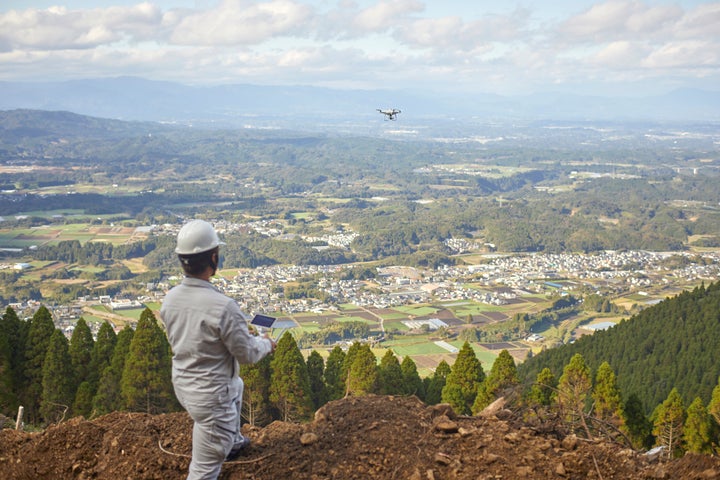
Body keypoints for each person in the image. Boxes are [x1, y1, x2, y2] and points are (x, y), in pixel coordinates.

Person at [160, 219, 276, 480]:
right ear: (214, 257)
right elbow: (247, 354)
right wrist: (266, 343)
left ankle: (232, 441)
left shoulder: (170, 299)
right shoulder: (223, 307)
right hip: (211, 398)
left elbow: (195, 338)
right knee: (203, 470)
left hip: (184, 383)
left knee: (237, 385)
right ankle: (224, 439)